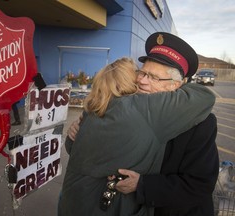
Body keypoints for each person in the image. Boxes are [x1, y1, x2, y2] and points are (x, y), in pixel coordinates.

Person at [66, 32, 219, 216]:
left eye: (153, 77)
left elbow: (200, 184)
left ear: (176, 86)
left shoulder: (201, 123)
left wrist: (143, 186)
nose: (142, 81)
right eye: (142, 72)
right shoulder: (128, 106)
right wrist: (78, 134)